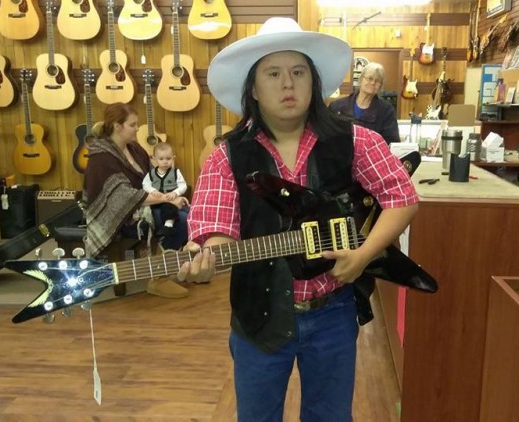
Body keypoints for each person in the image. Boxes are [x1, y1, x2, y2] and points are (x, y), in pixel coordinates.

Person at [178, 17, 418, 420]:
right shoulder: (227, 157)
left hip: (333, 313)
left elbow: (402, 197)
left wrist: (364, 256)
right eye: (273, 73)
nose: (287, 84)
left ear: (313, 81)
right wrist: (206, 259)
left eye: (298, 72)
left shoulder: (356, 140)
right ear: (253, 87)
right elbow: (216, 230)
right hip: (258, 315)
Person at [83, 102, 189, 299]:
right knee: (181, 221)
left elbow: (153, 179)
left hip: (145, 205)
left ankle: (170, 267)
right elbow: (122, 197)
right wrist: (165, 201)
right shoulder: (101, 158)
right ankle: (159, 279)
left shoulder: (134, 148)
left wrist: (173, 195)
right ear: (117, 126)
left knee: (187, 213)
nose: (138, 128)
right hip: (120, 218)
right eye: (132, 124)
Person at [329, 62, 401, 145]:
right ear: (361, 79)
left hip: (371, 156)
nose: (373, 83)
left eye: (377, 81)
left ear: (381, 86)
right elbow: (326, 133)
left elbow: (392, 142)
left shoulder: (386, 111)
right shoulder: (337, 106)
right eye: (370, 78)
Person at [142, 142, 190, 250]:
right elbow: (145, 184)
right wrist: (153, 190)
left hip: (172, 199)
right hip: (157, 203)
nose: (165, 162)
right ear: (154, 159)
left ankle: (184, 243)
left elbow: (183, 185)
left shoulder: (176, 172)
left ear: (173, 158)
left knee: (189, 212)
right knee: (170, 210)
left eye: (168, 158)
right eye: (161, 159)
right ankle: (168, 225)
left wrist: (175, 193)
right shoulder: (151, 174)